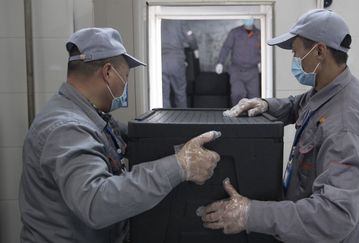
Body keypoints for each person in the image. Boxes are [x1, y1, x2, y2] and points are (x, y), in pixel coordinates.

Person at [19, 27, 220, 243]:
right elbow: (96, 202)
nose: (124, 86)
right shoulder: (66, 128)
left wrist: (184, 148)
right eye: (124, 77)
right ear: (107, 73)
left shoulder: (91, 116)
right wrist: (180, 166)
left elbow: (132, 140)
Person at [200, 9, 359, 243]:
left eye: (296, 52)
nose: (294, 60)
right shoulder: (330, 91)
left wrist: (250, 213)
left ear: (320, 51)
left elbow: (336, 216)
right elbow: (299, 105)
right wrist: (265, 104)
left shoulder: (344, 122)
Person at [215, 18, 261, 106]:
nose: (248, 20)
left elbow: (264, 49)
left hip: (253, 70)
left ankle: (254, 119)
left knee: (254, 98)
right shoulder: (235, 32)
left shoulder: (259, 33)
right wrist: (220, 62)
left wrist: (263, 62)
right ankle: (237, 118)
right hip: (237, 70)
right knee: (237, 95)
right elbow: (226, 47)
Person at [161, 20, 199, 108]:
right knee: (180, 92)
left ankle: (164, 119)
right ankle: (182, 118)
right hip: (176, 60)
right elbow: (190, 37)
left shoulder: (159, 20)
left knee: (163, 95)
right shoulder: (179, 20)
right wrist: (195, 48)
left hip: (160, 60)